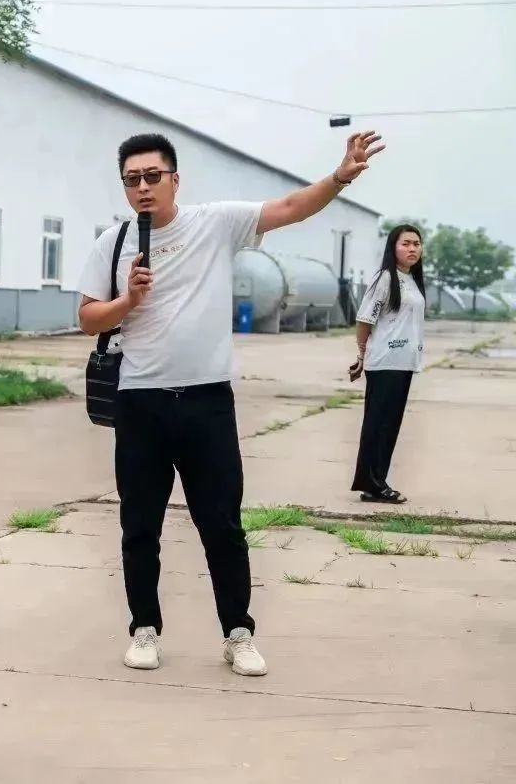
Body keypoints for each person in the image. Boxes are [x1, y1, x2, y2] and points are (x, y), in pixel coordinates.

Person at [77, 130, 384, 677]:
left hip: (207, 402)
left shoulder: (214, 223)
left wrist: (339, 177)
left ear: (175, 179)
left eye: (152, 176)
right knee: (139, 525)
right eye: (132, 179)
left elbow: (289, 208)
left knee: (221, 524)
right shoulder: (113, 242)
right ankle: (144, 629)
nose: (143, 187)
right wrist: (129, 299)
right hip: (140, 403)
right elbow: (87, 318)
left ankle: (238, 633)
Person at [349, 225, 425, 504]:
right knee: (378, 426)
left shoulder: (412, 279)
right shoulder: (385, 278)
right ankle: (373, 484)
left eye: (416, 243)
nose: (412, 248)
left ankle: (376, 482)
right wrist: (361, 355)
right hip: (385, 362)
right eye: (406, 243)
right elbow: (364, 319)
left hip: (404, 363)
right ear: (393, 247)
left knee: (389, 427)